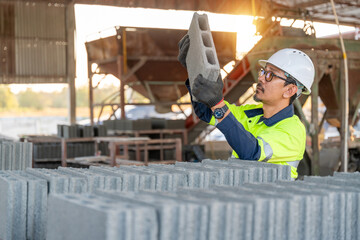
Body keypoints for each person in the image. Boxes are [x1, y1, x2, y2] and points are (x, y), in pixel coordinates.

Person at [178, 35, 315, 179]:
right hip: (244, 195)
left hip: (273, 199)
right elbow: (206, 112)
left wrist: (217, 104)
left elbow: (252, 152)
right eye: (263, 71)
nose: (261, 78)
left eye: (270, 75)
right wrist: (193, 69)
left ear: (290, 90)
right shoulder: (250, 113)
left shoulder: (293, 130)